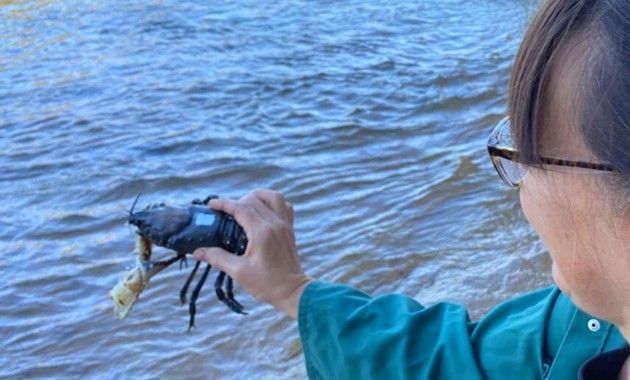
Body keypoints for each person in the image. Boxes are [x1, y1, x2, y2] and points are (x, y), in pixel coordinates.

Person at [193, 0, 630, 378]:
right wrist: (293, 290)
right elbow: (445, 357)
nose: (521, 188)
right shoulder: (581, 321)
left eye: (530, 153)